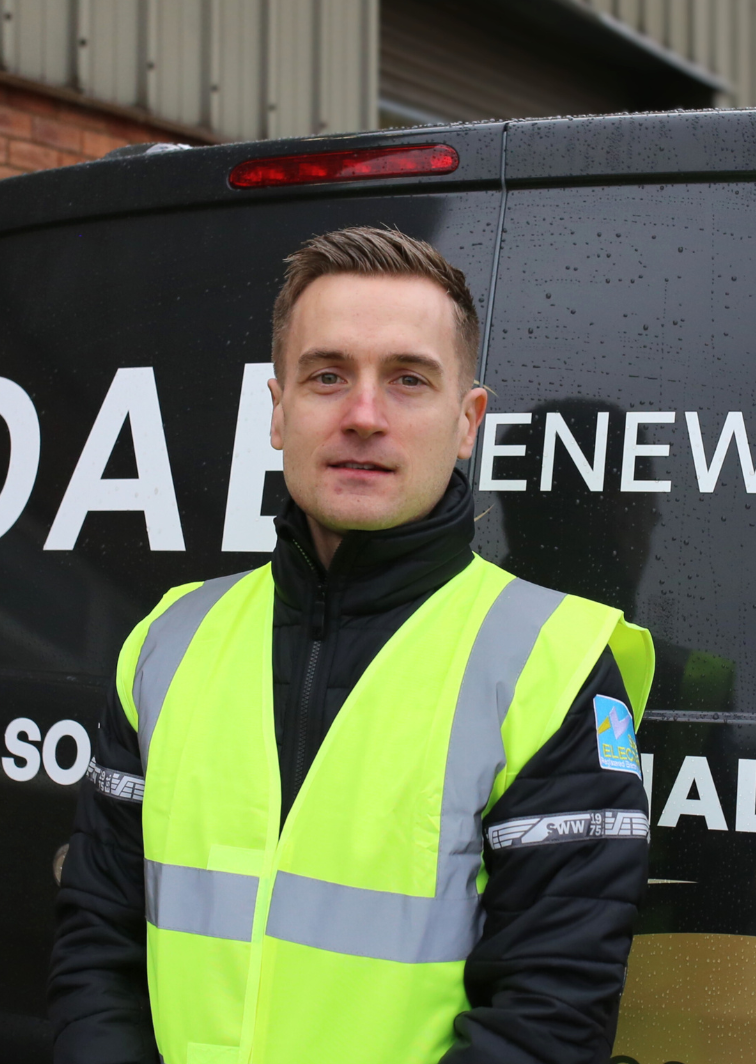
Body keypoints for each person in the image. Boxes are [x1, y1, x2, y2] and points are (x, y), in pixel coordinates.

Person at [49, 226, 654, 1064]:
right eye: (327, 376)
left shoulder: (552, 664)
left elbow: (549, 1014)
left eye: (408, 380)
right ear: (277, 407)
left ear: (466, 420)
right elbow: (96, 951)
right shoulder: (170, 641)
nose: (363, 415)